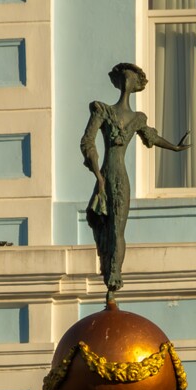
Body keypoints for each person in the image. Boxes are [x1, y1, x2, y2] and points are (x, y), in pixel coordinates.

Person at [80, 63, 189, 298]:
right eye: (124, 78)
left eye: (131, 79)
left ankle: (114, 274)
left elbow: (152, 137)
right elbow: (88, 142)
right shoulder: (103, 111)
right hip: (106, 175)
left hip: (121, 179)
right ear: (119, 82)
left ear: (135, 85)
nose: (127, 82)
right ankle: (107, 268)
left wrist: (175, 147)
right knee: (104, 229)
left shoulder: (137, 119)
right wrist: (98, 174)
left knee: (118, 229)